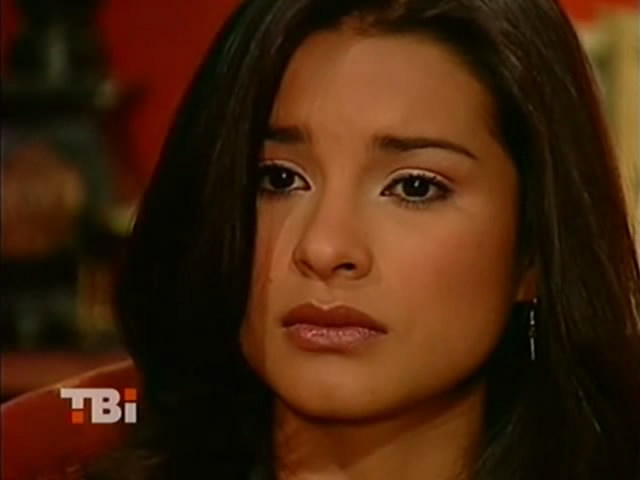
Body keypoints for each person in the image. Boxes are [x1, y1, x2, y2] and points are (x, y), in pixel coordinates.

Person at [89, 0, 640, 479]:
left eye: (415, 188)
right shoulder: (77, 429)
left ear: (533, 249)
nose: (325, 248)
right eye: (279, 179)